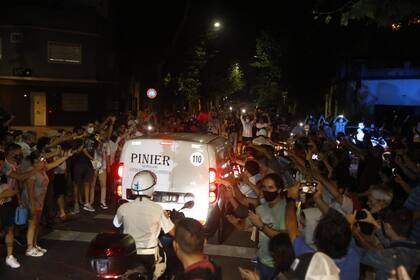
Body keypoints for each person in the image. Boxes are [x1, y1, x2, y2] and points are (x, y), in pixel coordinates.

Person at [286, 183, 361, 280]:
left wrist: (292, 199)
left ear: (317, 239)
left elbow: (292, 229)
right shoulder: (353, 253)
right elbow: (338, 223)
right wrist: (318, 199)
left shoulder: (315, 262)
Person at [113, 170, 175, 279]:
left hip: (129, 254)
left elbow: (116, 225)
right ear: (151, 188)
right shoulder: (157, 209)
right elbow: (173, 232)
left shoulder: (123, 208)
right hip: (150, 256)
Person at [227, 174, 287, 280]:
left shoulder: (286, 209)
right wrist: (235, 222)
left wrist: (261, 226)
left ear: (279, 190)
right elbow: (243, 226)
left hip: (279, 265)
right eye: (264, 187)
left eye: (271, 187)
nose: (266, 190)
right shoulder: (260, 209)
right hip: (261, 261)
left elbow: (283, 236)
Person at [21, 149, 72, 257]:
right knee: (32, 224)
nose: (44, 160)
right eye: (42, 158)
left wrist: (66, 157)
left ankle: (34, 244)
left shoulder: (42, 169)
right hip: (33, 201)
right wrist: (32, 205)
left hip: (40, 200)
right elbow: (30, 192)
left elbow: (54, 164)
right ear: (35, 160)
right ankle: (29, 248)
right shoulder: (32, 171)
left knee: (37, 223)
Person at [350, 208, 420, 280]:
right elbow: (392, 244)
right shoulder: (414, 246)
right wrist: (374, 223)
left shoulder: (390, 256)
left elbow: (360, 254)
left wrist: (351, 230)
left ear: (387, 226)